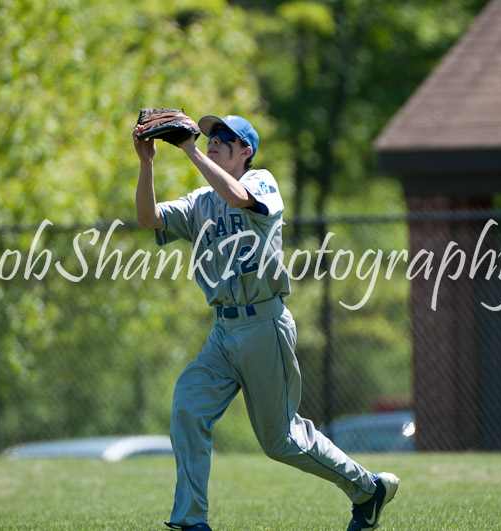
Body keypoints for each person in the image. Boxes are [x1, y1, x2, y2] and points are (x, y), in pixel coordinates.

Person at [133, 112, 399, 531]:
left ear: (246, 152)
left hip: (264, 325)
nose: (214, 140)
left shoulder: (262, 183)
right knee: (187, 406)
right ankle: (191, 521)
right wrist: (146, 163)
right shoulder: (200, 201)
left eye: (225, 137)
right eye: (210, 135)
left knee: (281, 442)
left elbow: (238, 197)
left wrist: (190, 149)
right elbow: (148, 219)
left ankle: (367, 489)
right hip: (223, 331)